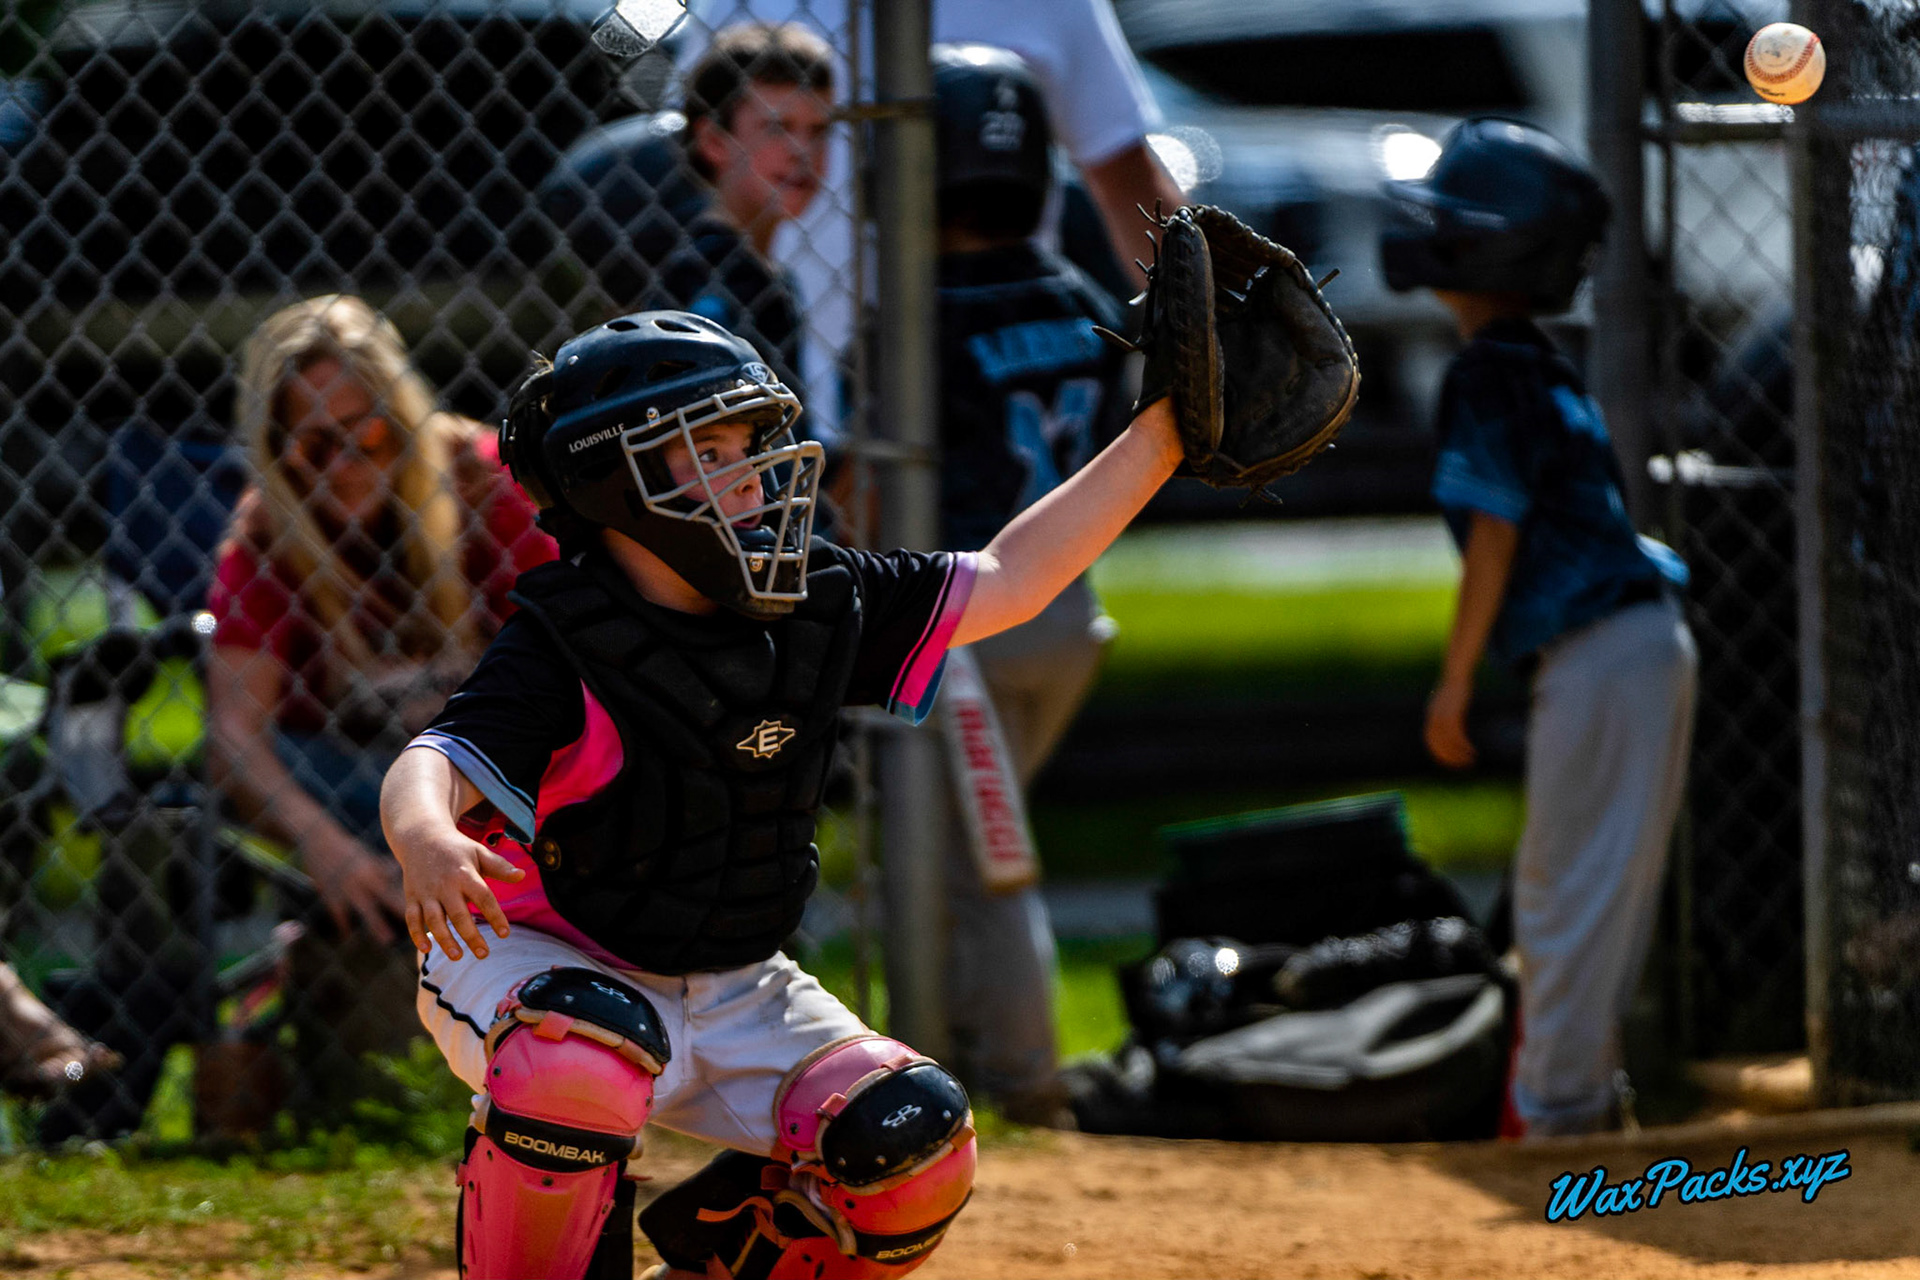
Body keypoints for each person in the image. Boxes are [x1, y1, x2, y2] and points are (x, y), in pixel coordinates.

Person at [378, 309, 1187, 1278]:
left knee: (911, 1141)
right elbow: (438, 757)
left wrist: (1165, 435)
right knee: (577, 1057)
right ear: (613, 480)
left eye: (752, 443)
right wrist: (424, 831)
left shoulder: (817, 600)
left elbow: (1012, 578)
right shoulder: (567, 639)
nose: (753, 474)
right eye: (710, 448)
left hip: (732, 979)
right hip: (536, 959)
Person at [1381, 119, 1698, 1138]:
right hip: (1633, 644)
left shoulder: (1488, 374)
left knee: (1568, 895)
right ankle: (1584, 1104)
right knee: (1585, 886)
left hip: (1604, 652)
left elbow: (1496, 533)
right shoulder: (1536, 361)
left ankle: (1560, 1119)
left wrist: (1454, 679)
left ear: (1489, 246)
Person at [205, 295, 554, 1118]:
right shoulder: (266, 534)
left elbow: (572, 649)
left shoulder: (478, 481)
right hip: (359, 795)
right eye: (315, 446)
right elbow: (232, 732)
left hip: (499, 776)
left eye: (367, 437)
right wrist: (324, 849)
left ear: (402, 424)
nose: (345, 467)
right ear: (279, 453)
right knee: (276, 763)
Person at [928, 44, 1129, 1124]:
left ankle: (1023, 1081)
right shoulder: (1080, 292)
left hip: (973, 627)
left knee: (990, 866)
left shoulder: (923, 306)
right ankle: (963, 1040)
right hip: (1073, 610)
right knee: (966, 852)